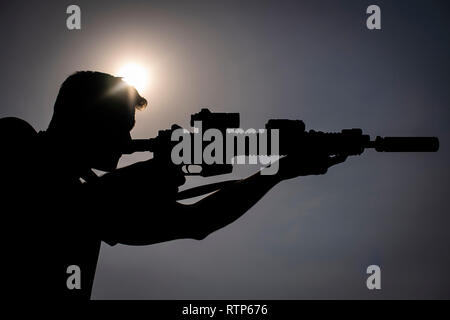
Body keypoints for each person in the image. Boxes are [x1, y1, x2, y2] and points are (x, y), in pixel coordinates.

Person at [0, 71, 348, 300]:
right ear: (84, 115)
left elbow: (198, 222)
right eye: (121, 124)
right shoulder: (14, 138)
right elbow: (50, 212)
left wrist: (279, 170)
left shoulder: (94, 198)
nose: (127, 138)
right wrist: (144, 177)